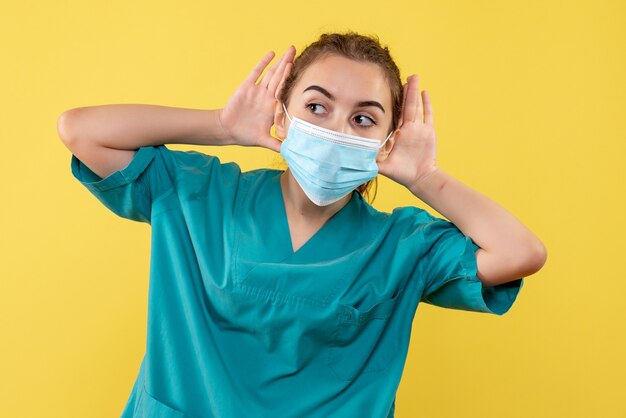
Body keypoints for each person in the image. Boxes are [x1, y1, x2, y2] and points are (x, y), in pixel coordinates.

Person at [58, 32, 547, 418]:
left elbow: (520, 253)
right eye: (317, 107)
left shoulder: (402, 245)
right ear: (283, 116)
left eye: (363, 119)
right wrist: (221, 127)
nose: (336, 129)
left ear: (388, 141)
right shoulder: (200, 193)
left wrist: (425, 177)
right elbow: (80, 130)